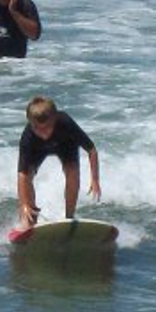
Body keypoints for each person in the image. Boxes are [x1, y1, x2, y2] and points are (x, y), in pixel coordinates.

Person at [17, 97, 101, 227]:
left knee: (72, 171)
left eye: (46, 127)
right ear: (30, 123)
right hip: (37, 149)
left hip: (65, 146)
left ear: (54, 119)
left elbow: (91, 149)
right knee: (28, 175)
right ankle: (30, 220)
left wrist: (95, 180)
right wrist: (24, 205)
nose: (42, 132)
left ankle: (69, 217)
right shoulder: (28, 137)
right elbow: (22, 175)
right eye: (36, 128)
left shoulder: (65, 122)